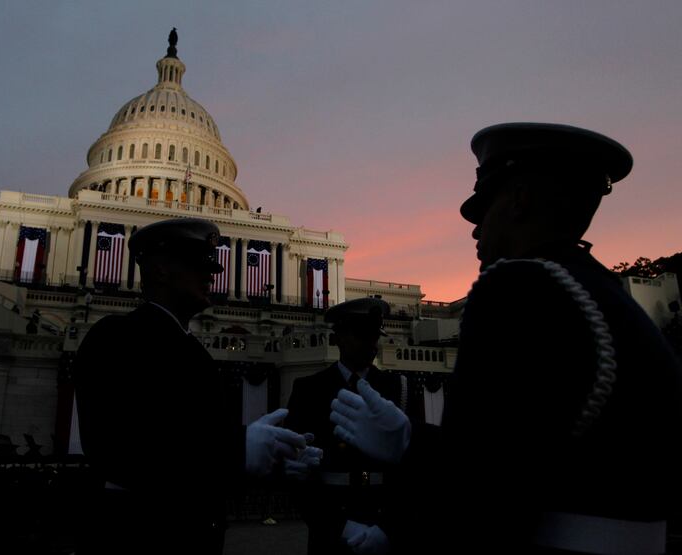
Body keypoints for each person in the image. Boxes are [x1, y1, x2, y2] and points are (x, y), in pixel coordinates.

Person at [330, 123, 682, 553]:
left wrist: (398, 532)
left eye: (484, 210)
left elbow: (481, 485)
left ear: (519, 200)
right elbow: (523, 449)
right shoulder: (609, 298)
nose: (476, 232)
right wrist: (411, 437)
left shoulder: (517, 287)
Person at [73, 217, 315, 554]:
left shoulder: (193, 351)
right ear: (160, 270)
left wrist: (273, 460)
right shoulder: (117, 337)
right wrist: (239, 451)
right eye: (198, 265)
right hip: (140, 535)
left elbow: (200, 437)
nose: (212, 274)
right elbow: (118, 448)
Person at [287, 297, 411, 554]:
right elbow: (297, 471)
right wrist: (338, 527)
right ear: (340, 337)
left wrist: (389, 528)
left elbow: (410, 471)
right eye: (362, 335)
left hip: (381, 517)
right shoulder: (309, 390)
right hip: (332, 521)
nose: (372, 345)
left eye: (374, 336)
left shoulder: (396, 387)